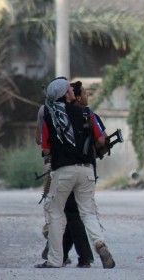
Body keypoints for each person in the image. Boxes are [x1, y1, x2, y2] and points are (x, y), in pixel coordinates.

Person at [35, 77, 114, 269]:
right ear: (66, 95)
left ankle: (54, 259)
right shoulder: (87, 113)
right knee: (87, 211)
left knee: (54, 211)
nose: (72, 91)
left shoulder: (50, 117)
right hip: (87, 170)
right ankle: (99, 243)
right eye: (70, 89)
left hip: (63, 171)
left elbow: (45, 149)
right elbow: (101, 140)